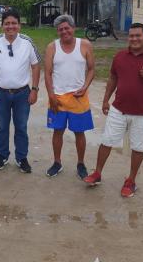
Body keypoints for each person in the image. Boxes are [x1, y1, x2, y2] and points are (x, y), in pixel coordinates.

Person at [84, 23, 143, 197]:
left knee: (138, 147)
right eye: (131, 36)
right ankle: (97, 173)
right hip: (119, 109)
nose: (134, 39)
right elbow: (112, 78)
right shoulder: (120, 56)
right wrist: (105, 100)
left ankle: (131, 181)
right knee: (107, 141)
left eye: (138, 36)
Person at [0, 10, 41, 173]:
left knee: (21, 126)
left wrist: (35, 89)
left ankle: (21, 158)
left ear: (19, 25)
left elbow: (36, 65)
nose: (10, 26)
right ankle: (2, 156)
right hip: (0, 93)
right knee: (2, 126)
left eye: (14, 23)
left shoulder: (27, 42)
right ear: (2, 26)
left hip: (22, 93)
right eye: (7, 23)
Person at [44, 14, 95, 180]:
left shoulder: (85, 45)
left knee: (79, 132)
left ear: (73, 28)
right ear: (57, 32)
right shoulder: (52, 47)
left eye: (67, 28)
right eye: (60, 29)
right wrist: (51, 95)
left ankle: (81, 163)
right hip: (58, 98)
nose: (64, 31)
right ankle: (57, 162)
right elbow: (48, 73)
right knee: (57, 131)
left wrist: (85, 87)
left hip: (78, 98)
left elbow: (92, 69)